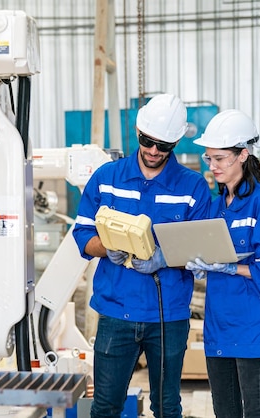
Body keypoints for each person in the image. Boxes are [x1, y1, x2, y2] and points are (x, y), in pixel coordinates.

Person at [72, 93, 212, 418]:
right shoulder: (106, 179)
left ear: (176, 142)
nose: (153, 151)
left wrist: (164, 256)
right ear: (138, 132)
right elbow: (82, 235)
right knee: (106, 405)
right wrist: (107, 248)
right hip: (115, 313)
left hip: (168, 317)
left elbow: (200, 251)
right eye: (147, 141)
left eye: (163, 146)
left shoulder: (192, 187)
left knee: (166, 406)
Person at [185, 109, 260, 418]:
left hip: (255, 330)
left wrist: (231, 267)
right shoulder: (217, 205)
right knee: (226, 413)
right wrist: (200, 263)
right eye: (209, 159)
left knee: (259, 413)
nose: (212, 167)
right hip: (220, 328)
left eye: (219, 159)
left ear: (243, 155)